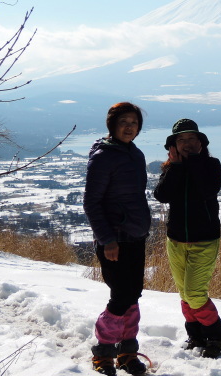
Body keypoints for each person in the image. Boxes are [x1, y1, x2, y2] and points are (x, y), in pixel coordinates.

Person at [83, 102, 151, 375]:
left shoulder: (135, 154)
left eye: (134, 123)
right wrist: (107, 239)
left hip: (136, 236)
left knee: (132, 296)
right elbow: (92, 202)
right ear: (112, 124)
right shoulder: (103, 157)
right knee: (121, 296)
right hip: (114, 240)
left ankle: (127, 351)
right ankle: (103, 351)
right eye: (124, 121)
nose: (129, 127)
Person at [153, 119, 221, 358]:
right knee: (185, 293)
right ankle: (195, 335)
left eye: (192, 139)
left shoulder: (211, 165)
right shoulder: (171, 168)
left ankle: (215, 336)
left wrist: (192, 162)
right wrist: (176, 167)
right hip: (175, 240)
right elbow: (162, 195)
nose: (187, 144)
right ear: (173, 145)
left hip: (204, 239)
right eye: (181, 140)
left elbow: (207, 190)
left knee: (195, 293)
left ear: (201, 142)